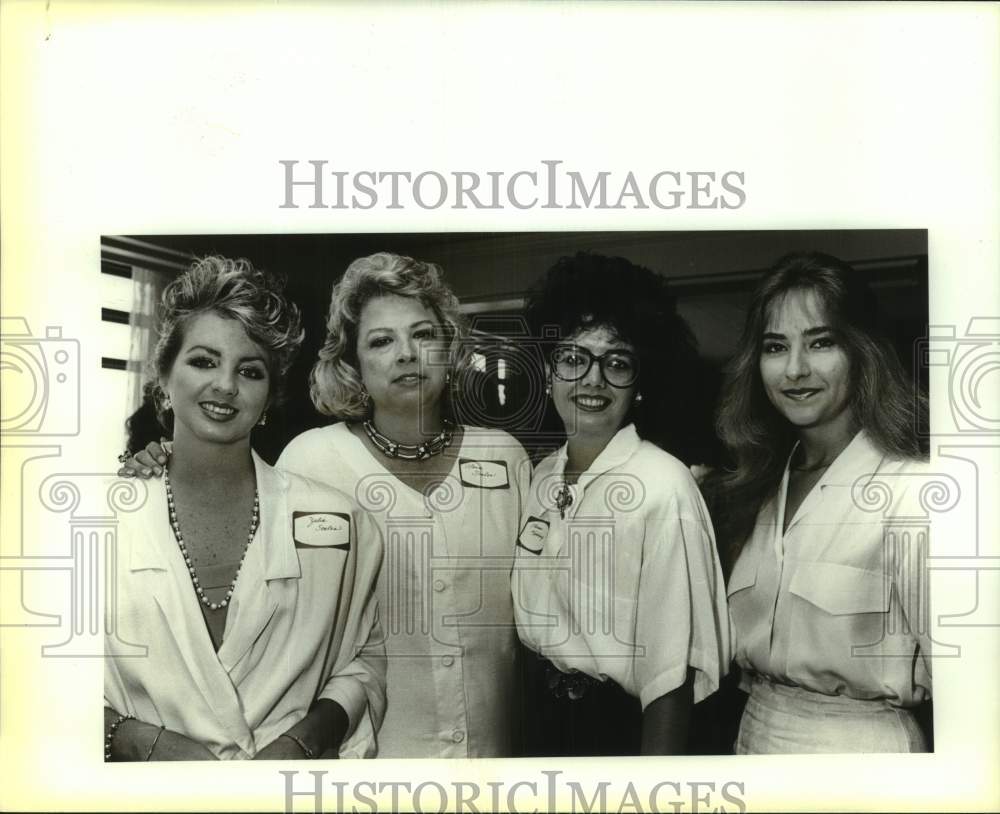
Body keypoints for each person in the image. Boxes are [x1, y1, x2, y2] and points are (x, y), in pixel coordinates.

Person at [125, 252, 531, 758]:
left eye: (423, 334)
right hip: (364, 762)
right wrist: (162, 458)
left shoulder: (504, 457)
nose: (407, 353)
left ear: (450, 346)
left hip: (491, 759)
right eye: (381, 341)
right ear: (353, 362)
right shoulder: (313, 460)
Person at [105, 256, 386, 761]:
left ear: (270, 395)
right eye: (204, 361)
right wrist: (135, 740)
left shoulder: (340, 521)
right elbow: (31, 680)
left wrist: (309, 738)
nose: (226, 385)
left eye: (249, 370)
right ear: (163, 378)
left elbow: (363, 660)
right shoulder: (92, 521)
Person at [706, 251, 932, 754]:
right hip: (752, 736)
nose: (795, 369)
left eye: (821, 342)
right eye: (775, 346)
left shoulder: (913, 490)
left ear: (863, 350)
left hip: (863, 755)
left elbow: (974, 691)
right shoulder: (758, 486)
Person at [511, 252, 730, 756]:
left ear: (641, 385)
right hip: (541, 730)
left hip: (620, 734)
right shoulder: (541, 476)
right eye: (572, 358)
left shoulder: (664, 487)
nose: (592, 380)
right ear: (548, 370)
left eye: (616, 362)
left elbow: (671, 680)